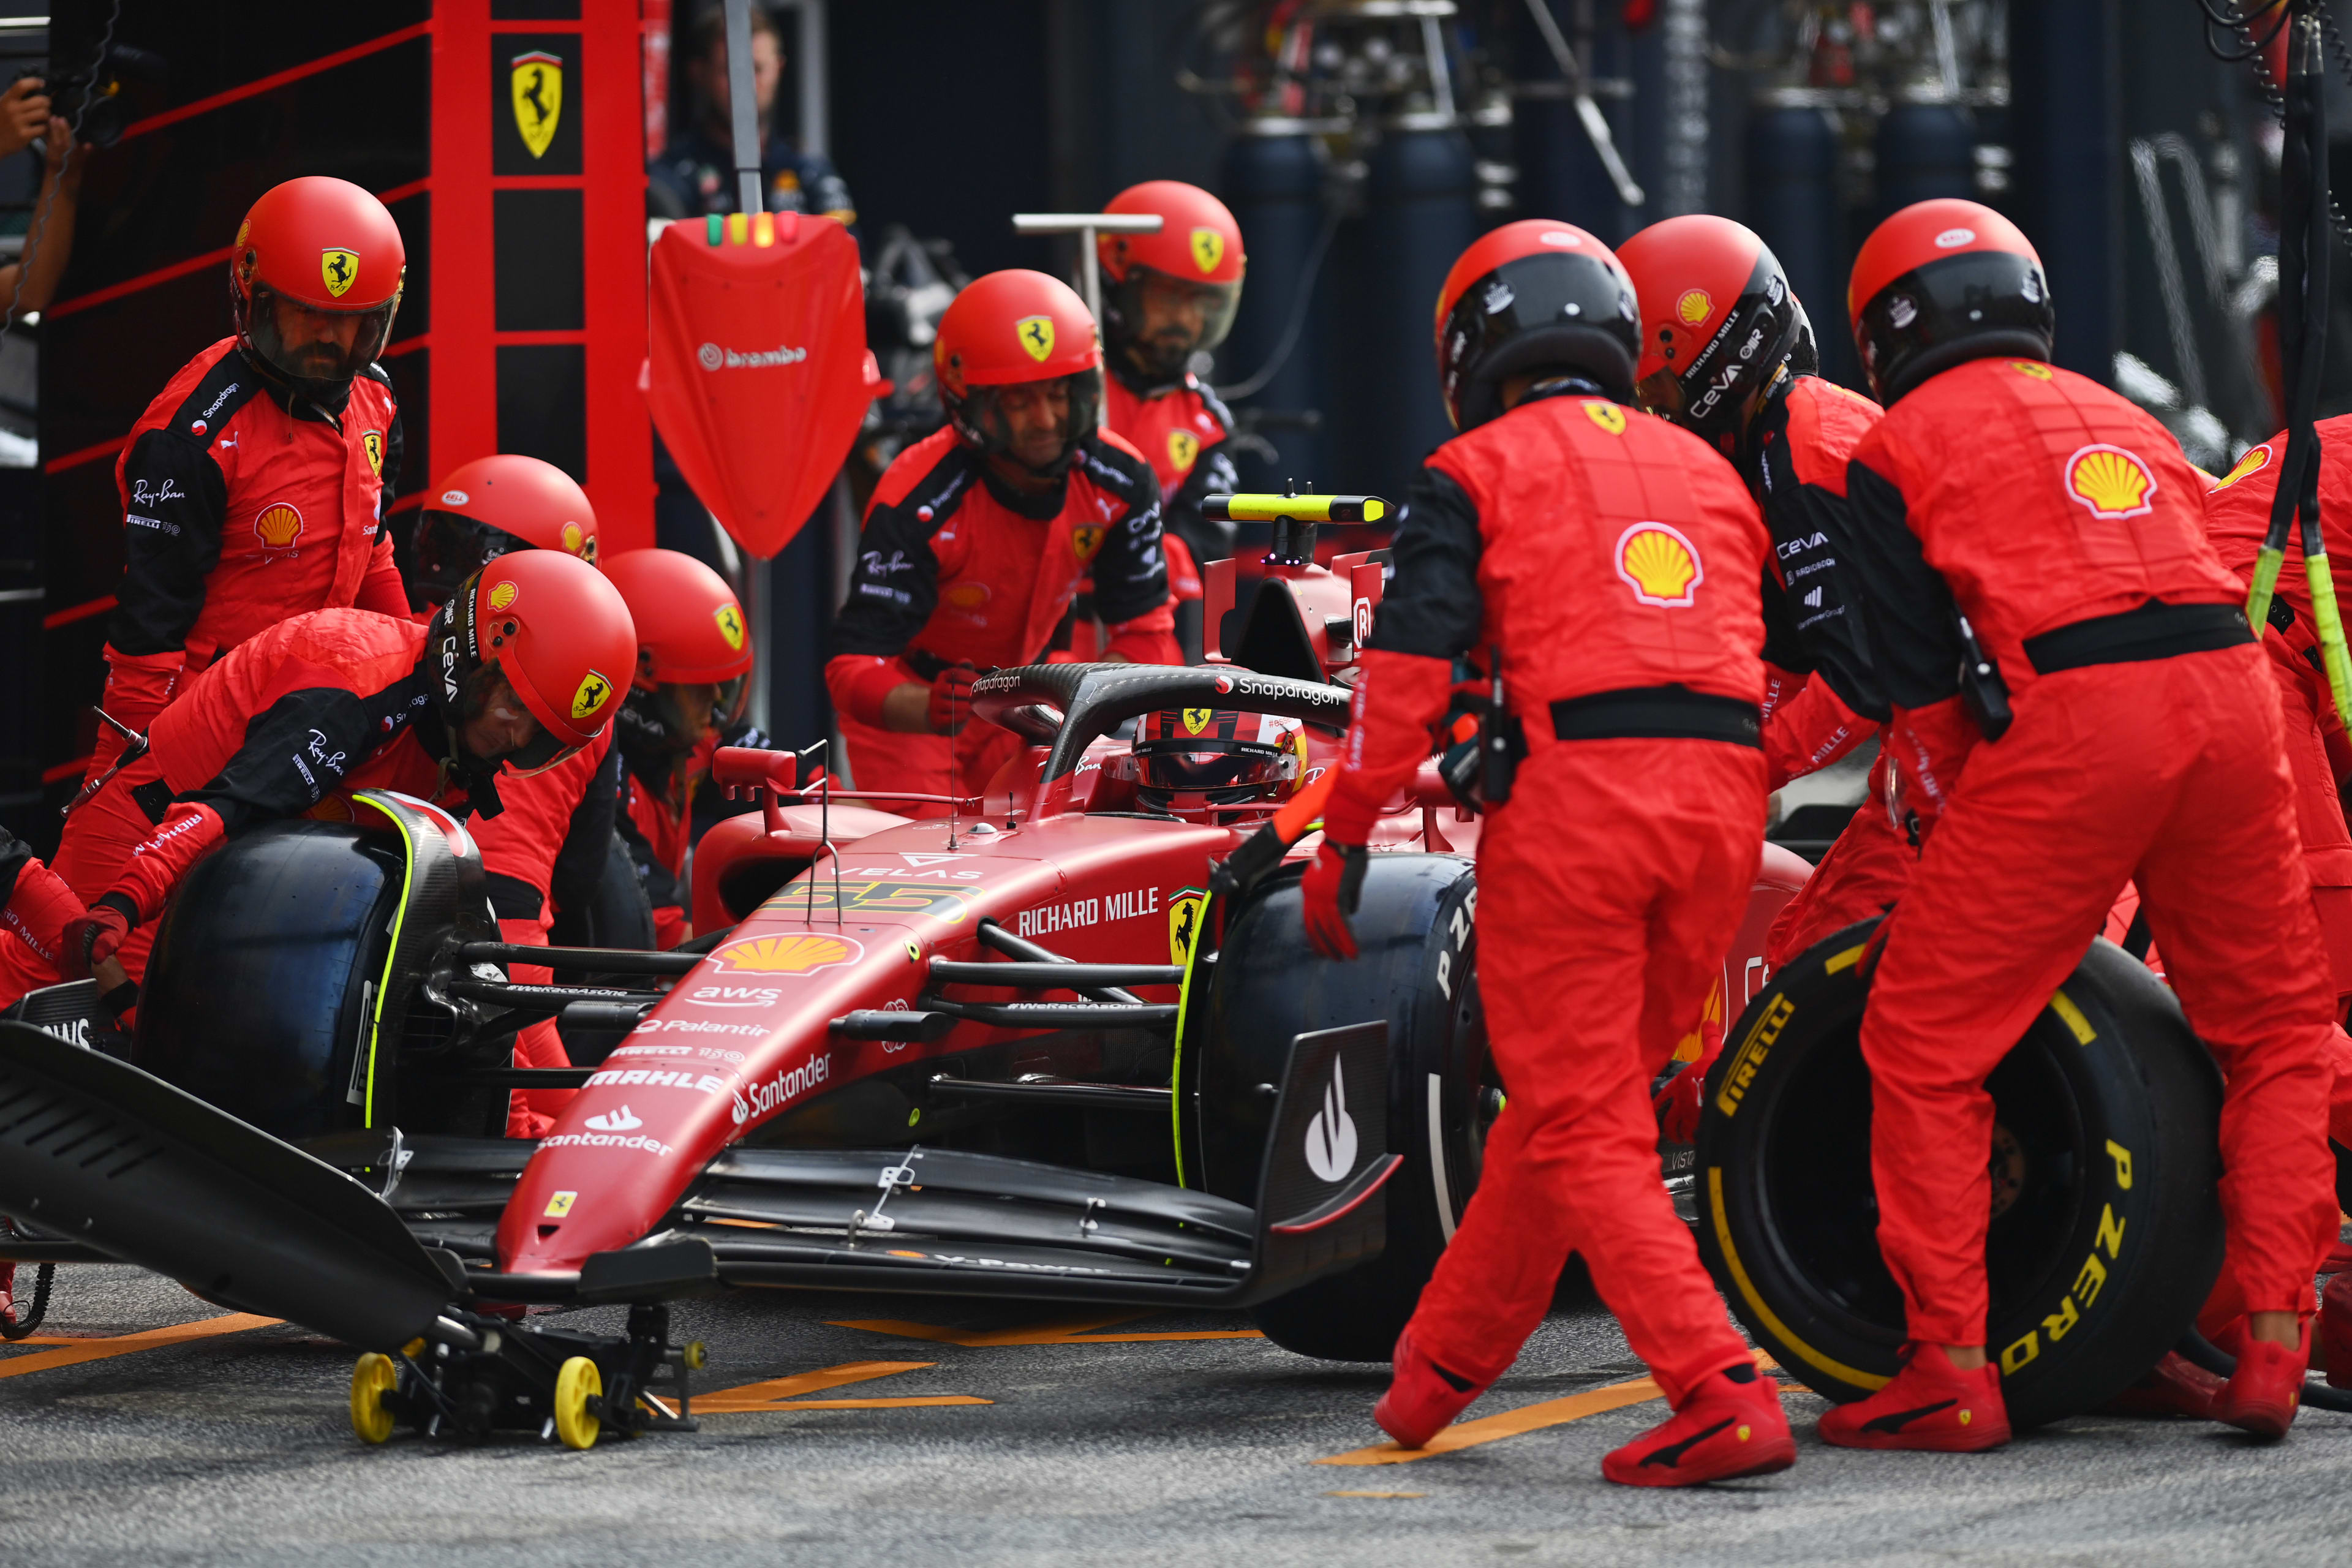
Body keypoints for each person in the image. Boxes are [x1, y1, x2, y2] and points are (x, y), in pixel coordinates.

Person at [1811, 197, 2335, 1448]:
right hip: (2231, 695)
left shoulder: (1895, 441)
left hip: (2081, 715)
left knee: (1925, 1036)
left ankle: (1947, 1364)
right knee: (2275, 1035)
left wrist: (1940, 841)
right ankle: (2273, 1341)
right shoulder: (2123, 412)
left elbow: (1923, 698)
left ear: (1884, 333)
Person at [1301, 219, 1793, 1487]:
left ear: (1472, 348)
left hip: (1582, 804)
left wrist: (1342, 837)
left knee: (1581, 1121)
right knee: (1573, 1109)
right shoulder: (1709, 472)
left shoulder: (1473, 468)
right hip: (1726, 803)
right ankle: (1433, 1376)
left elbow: (1402, 677)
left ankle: (1718, 1382)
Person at [1614, 215, 1907, 1137]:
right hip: (1957, 750)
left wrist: (1735, 770)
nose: (1652, 410)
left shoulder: (1806, 448)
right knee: (1801, 955)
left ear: (1716, 363)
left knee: (1816, 983)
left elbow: (1862, 684)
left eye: (1660, 383)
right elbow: (1784, 669)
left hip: (2007, 758)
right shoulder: (1779, 446)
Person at [38, 552, 634, 998]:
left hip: (238, 893)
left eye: (542, 733)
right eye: (516, 708)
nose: (518, 737)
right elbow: (227, 808)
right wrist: (124, 899)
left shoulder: (456, 745)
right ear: (479, 652)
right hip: (142, 854)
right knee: (89, 1050)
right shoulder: (356, 682)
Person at [83, 176, 409, 791]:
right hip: (200, 723)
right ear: (250, 295)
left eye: (351, 323)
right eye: (304, 314)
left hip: (318, 719)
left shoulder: (380, 400)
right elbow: (151, 625)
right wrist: (131, 773)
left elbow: (373, 549)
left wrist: (415, 664)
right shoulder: (193, 434)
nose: (328, 340)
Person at [826, 270, 1178, 809]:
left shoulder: (1124, 479)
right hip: (918, 716)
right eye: (1019, 402)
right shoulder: (915, 498)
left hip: (1031, 703)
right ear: (969, 402)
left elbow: (1147, 633)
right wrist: (926, 706)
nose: (1046, 421)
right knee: (936, 872)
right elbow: (853, 668)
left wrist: (1088, 702)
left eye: (1060, 393)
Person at [405, 456, 614, 1137]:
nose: (447, 580)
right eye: (442, 545)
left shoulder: (535, 686)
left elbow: (510, 913)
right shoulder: (431, 649)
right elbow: (509, 916)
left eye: (476, 559)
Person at [1096, 180, 1245, 660]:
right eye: (1168, 296)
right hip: (1039, 638)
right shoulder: (1064, 393)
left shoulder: (1206, 422)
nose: (1185, 319)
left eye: (1202, 302)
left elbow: (1206, 538)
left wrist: (1125, 561)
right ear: (1118, 280)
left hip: (1145, 639)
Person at [605, 549, 756, 949]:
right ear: (640, 689)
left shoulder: (700, 736)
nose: (718, 700)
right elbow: (660, 939)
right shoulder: (600, 782)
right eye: (699, 688)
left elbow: (813, 789)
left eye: (724, 684)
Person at [646, 3, 854, 226]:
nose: (746, 86)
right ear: (699, 74)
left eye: (757, 69)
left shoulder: (810, 172)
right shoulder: (670, 177)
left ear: (779, 69)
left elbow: (850, 256)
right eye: (732, 71)